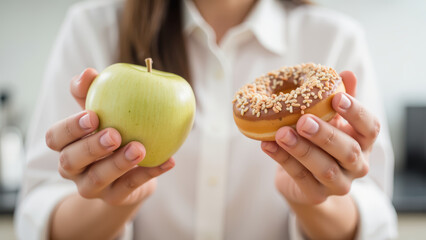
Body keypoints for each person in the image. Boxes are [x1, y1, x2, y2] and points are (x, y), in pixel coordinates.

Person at [15, 0, 398, 239]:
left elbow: (377, 221)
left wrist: (315, 200)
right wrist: (111, 203)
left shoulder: (335, 39)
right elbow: (36, 214)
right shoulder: (93, 28)